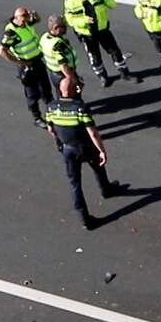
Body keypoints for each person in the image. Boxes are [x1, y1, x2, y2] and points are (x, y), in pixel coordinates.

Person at [45, 77, 121, 230]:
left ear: (60, 90)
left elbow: (50, 129)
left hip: (68, 149)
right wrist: (102, 150)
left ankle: (84, 219)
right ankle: (106, 189)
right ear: (75, 90)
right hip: (85, 147)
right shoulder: (80, 108)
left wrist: (59, 142)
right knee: (98, 167)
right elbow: (92, 133)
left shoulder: (51, 107)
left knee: (75, 183)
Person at [63, 0, 139, 88]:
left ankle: (125, 74)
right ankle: (102, 76)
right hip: (87, 34)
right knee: (95, 57)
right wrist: (84, 20)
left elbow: (113, 5)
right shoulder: (71, 1)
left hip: (102, 30)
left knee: (115, 52)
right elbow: (70, 20)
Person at [0, 7, 53, 128]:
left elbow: (38, 19)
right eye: (24, 17)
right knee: (32, 94)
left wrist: (35, 14)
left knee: (46, 88)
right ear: (16, 17)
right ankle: (37, 118)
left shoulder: (25, 23)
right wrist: (20, 62)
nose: (26, 19)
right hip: (27, 66)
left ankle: (52, 113)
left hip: (37, 61)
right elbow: (2, 51)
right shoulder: (11, 33)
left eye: (27, 16)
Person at [40, 15, 83, 98]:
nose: (65, 28)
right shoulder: (57, 45)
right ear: (56, 28)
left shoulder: (44, 37)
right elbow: (63, 65)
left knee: (60, 94)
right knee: (70, 96)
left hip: (54, 73)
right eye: (63, 26)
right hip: (63, 74)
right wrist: (72, 79)